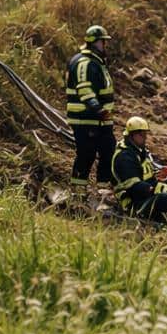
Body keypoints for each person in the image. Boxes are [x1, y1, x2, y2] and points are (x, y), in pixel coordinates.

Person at [110, 116, 167, 224]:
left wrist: (162, 178)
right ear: (132, 135)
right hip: (132, 204)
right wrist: (155, 188)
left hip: (144, 196)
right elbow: (134, 187)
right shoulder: (124, 157)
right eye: (141, 135)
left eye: (145, 134)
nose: (145, 137)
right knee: (165, 198)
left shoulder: (139, 151)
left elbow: (147, 173)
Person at [65, 25, 117, 204]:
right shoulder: (85, 63)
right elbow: (85, 89)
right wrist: (97, 109)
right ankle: (77, 194)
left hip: (101, 121)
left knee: (108, 150)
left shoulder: (97, 62)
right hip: (86, 118)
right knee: (86, 154)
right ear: (96, 42)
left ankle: (102, 191)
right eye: (104, 42)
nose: (106, 46)